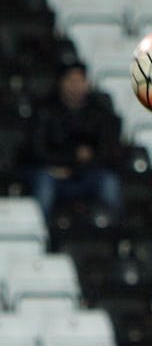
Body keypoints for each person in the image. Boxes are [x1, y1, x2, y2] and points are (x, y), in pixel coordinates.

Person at [22, 62, 122, 226]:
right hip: (52, 172)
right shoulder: (44, 110)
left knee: (108, 182)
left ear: (87, 84)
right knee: (44, 184)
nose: (75, 86)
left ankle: (118, 235)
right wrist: (68, 160)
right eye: (70, 81)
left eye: (80, 81)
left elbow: (107, 150)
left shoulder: (99, 112)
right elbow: (36, 149)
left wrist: (77, 167)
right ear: (61, 83)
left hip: (86, 173)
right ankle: (40, 232)